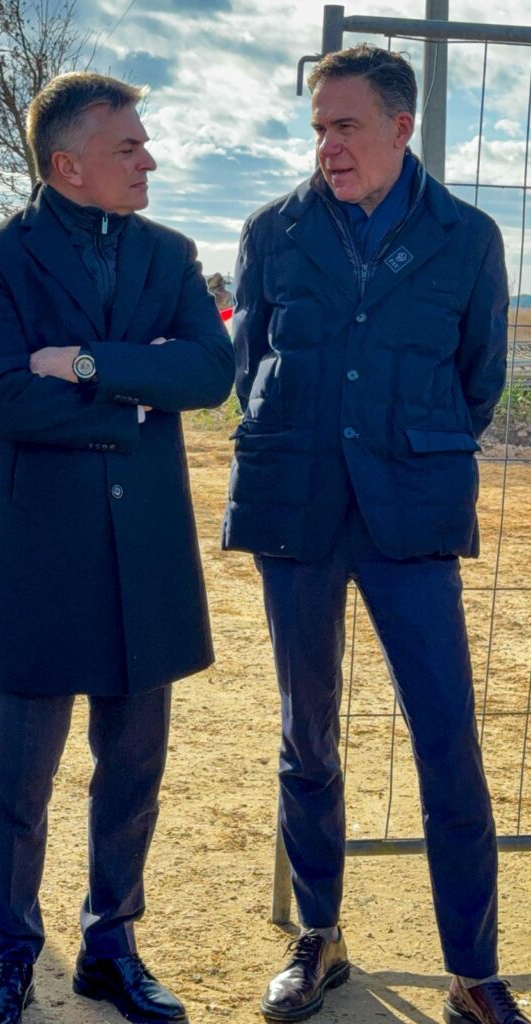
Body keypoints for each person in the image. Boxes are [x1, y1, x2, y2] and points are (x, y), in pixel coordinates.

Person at [222, 44, 528, 1024]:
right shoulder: (273, 231)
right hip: (297, 510)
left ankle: (473, 972)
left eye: (345, 126)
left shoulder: (468, 238)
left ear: (402, 126)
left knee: (447, 741)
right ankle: (320, 936)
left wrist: (406, 448)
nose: (328, 147)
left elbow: (479, 379)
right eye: (319, 129)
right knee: (305, 734)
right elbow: (250, 365)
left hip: (412, 515)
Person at [0, 71, 234, 1024]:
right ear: (67, 164)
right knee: (20, 780)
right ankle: (12, 960)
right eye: (129, 147)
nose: (150, 159)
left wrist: (81, 365)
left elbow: (208, 373)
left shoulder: (171, 253)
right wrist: (135, 400)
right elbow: (2, 399)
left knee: (134, 772)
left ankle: (110, 948)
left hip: (146, 554)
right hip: (39, 560)